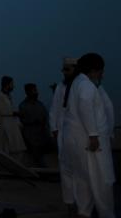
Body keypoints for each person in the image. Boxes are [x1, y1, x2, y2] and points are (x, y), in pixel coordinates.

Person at [62, 53, 115, 218]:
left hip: (78, 143)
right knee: (101, 182)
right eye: (100, 71)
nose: (102, 74)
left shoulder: (77, 83)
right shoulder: (86, 85)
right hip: (91, 145)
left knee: (83, 181)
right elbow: (85, 106)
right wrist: (93, 135)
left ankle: (84, 212)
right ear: (93, 70)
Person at [50, 57, 78, 211]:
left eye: (67, 69)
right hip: (63, 134)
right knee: (66, 170)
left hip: (79, 136)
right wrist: (54, 129)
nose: (64, 73)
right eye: (64, 69)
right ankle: (69, 205)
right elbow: (54, 109)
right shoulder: (61, 86)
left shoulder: (82, 86)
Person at [19, 83, 50, 167]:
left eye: (36, 90)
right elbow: (23, 120)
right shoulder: (23, 106)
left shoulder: (40, 105)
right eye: (34, 91)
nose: (36, 92)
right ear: (28, 92)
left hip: (42, 137)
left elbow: (45, 118)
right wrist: (34, 121)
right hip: (30, 138)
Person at [0, 76, 26, 158]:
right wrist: (15, 113)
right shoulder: (0, 96)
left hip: (12, 127)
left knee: (17, 151)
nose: (13, 86)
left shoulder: (8, 96)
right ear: (7, 85)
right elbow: (2, 111)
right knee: (6, 151)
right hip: (5, 128)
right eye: (12, 84)